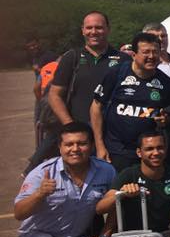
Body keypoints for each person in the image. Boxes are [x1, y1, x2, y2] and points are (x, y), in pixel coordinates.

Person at [27, 12, 127, 173]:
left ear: (108, 29)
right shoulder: (71, 58)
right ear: (82, 30)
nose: (93, 32)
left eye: (99, 27)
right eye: (89, 28)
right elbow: (55, 95)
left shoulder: (123, 60)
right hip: (79, 137)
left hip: (112, 135)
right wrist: (70, 126)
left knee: (110, 180)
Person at [90, 32, 170, 172]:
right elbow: (96, 106)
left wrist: (166, 119)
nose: (151, 56)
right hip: (116, 151)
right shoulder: (117, 73)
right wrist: (100, 146)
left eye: (155, 52)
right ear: (134, 55)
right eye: (146, 52)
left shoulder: (165, 82)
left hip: (149, 154)